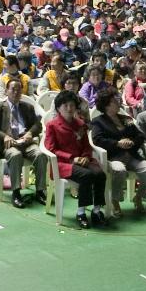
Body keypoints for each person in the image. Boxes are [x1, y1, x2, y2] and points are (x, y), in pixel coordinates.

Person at [43, 89, 108, 229]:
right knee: (87, 175)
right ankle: (81, 212)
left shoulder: (80, 124)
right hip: (62, 164)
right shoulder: (52, 126)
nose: (69, 108)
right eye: (65, 105)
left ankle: (97, 211)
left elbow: (86, 145)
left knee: (100, 174)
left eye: (72, 105)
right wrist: (73, 158)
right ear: (58, 108)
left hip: (82, 160)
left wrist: (85, 156)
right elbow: (51, 149)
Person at [90, 88, 146, 215]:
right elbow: (97, 140)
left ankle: (139, 197)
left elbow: (140, 135)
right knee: (119, 170)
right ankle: (115, 201)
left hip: (131, 155)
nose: (119, 102)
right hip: (112, 157)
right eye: (115, 101)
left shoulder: (126, 118)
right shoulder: (98, 121)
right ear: (107, 105)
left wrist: (131, 142)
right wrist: (117, 143)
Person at [0, 79, 46, 208]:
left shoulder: (27, 107)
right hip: (9, 143)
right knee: (15, 155)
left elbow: (37, 125)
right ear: (6, 91)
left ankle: (40, 191)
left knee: (41, 155)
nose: (16, 92)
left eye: (19, 89)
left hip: (25, 142)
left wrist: (30, 133)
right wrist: (4, 136)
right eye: (13, 89)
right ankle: (16, 192)